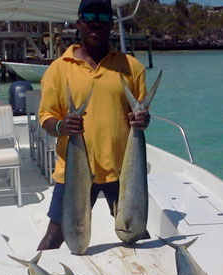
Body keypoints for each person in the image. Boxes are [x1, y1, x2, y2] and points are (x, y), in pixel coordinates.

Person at [37, 0, 151, 250]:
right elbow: (45, 118)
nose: (96, 21)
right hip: (73, 171)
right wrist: (61, 127)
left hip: (121, 171)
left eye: (102, 16)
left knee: (136, 232)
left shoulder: (131, 67)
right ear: (79, 21)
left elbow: (141, 116)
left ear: (111, 23)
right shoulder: (58, 69)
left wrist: (143, 119)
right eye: (89, 15)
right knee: (54, 237)